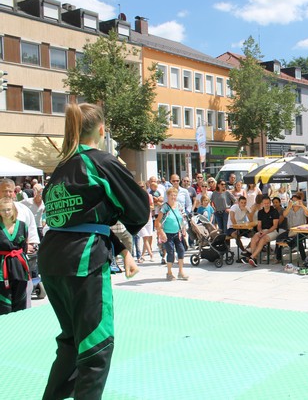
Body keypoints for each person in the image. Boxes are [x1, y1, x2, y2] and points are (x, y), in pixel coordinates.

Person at [38, 103, 148, 400]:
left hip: (51, 259)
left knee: (72, 343)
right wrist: (117, 242)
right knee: (96, 348)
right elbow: (139, 210)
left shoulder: (61, 167)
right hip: (82, 259)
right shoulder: (101, 161)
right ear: (101, 129)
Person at [0, 197, 30, 314]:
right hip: (2, 267)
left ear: (13, 210)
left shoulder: (23, 226)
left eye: (8, 209)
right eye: (3, 210)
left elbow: (24, 247)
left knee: (20, 300)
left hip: (19, 265)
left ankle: (19, 326)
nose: (6, 212)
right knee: (4, 302)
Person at [156, 187, 189, 281]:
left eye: (175, 195)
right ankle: (169, 272)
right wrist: (161, 232)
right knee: (170, 252)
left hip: (177, 233)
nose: (173, 197)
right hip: (167, 234)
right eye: (171, 195)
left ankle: (181, 272)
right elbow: (158, 221)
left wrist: (183, 229)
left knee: (181, 250)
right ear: (168, 196)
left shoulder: (179, 206)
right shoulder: (165, 207)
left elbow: (182, 218)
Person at [243, 196, 279, 267]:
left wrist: (266, 232)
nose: (266, 204)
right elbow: (259, 225)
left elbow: (275, 226)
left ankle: (251, 257)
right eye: (265, 203)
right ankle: (254, 258)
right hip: (263, 230)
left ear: (270, 203)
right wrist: (260, 231)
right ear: (262, 203)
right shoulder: (260, 212)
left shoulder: (274, 211)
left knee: (262, 239)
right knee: (254, 238)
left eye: (268, 203)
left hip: (272, 231)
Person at [276, 193, 308, 262]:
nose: (294, 202)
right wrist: (289, 206)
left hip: (301, 230)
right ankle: (278, 258)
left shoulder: (302, 209)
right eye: (293, 200)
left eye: (296, 201)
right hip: (291, 231)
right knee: (278, 238)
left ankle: (304, 258)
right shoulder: (290, 209)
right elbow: (284, 214)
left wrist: (302, 205)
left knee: (298, 240)